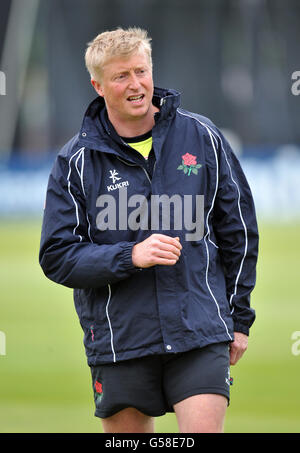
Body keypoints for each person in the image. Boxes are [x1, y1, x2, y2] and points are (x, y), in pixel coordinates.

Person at [39, 27, 259, 433]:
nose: (136, 84)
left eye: (141, 71)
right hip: (120, 339)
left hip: (200, 330)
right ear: (98, 85)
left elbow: (239, 232)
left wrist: (239, 319)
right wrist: (130, 256)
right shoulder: (75, 160)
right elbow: (56, 255)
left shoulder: (204, 137)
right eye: (121, 76)